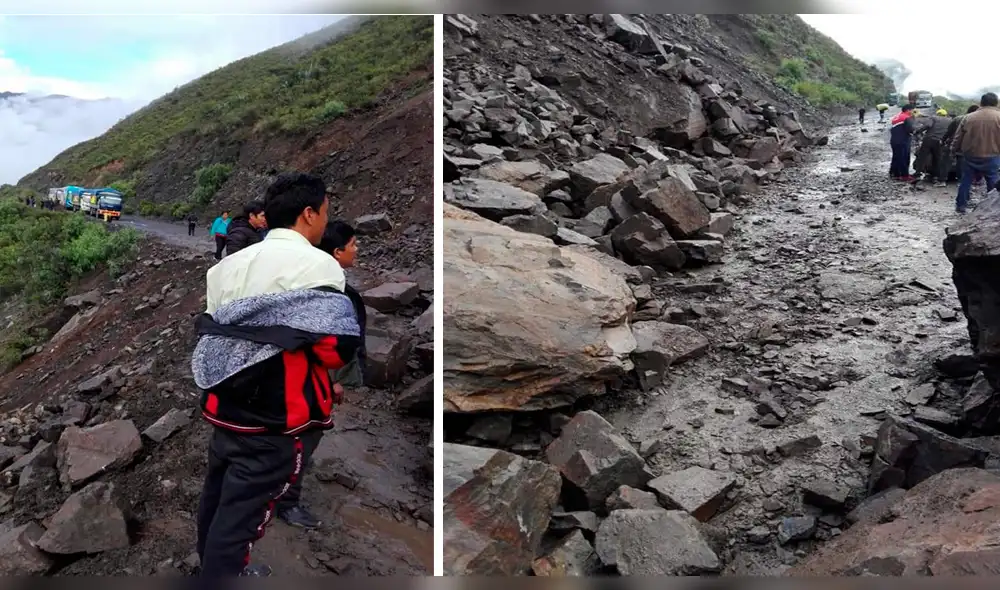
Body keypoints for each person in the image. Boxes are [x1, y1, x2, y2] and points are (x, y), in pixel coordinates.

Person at [191, 172, 356, 578]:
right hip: (275, 413)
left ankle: (210, 564)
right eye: (325, 213)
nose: (323, 222)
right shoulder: (319, 265)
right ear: (308, 214)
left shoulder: (227, 267)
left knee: (216, 496)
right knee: (243, 515)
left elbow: (218, 332)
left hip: (223, 402)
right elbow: (335, 350)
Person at [952, 92, 1000, 214]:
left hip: (970, 155)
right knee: (992, 181)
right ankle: (993, 208)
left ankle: (961, 206)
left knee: (966, 180)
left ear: (981, 103)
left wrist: (954, 150)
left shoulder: (968, 117)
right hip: (992, 155)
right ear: (996, 103)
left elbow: (958, 137)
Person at [911, 110, 953, 187]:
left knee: (922, 157)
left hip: (929, 140)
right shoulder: (949, 121)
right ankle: (935, 177)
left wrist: (918, 131)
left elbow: (928, 125)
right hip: (940, 141)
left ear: (937, 114)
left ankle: (917, 174)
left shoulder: (934, 118)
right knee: (937, 159)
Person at [890, 104, 917, 181]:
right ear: (908, 110)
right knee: (904, 157)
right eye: (913, 110)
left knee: (896, 157)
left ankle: (894, 174)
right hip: (903, 140)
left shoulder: (898, 116)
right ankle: (904, 175)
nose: (913, 112)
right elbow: (911, 129)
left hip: (894, 140)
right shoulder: (907, 117)